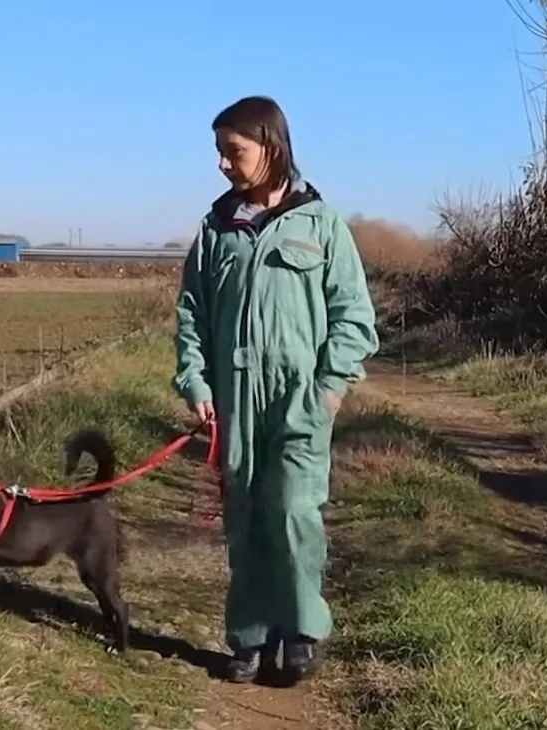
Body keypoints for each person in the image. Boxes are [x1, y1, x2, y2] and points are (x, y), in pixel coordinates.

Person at [171, 95, 380, 685]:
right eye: (219, 153)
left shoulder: (322, 223)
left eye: (232, 152)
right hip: (235, 397)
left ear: (271, 146)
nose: (222, 165)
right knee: (246, 518)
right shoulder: (216, 230)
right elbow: (192, 315)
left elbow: (354, 318)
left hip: (300, 396)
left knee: (293, 512)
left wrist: (330, 390)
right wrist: (196, 381)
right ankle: (250, 637)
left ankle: (300, 630)